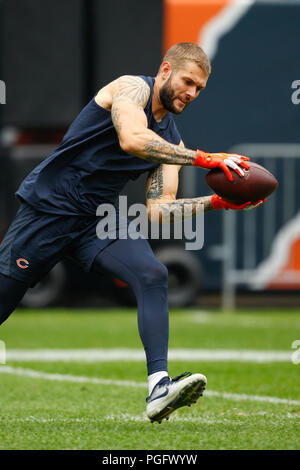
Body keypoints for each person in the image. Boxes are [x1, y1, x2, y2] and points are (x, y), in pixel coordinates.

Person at [0, 42, 264, 423]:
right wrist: (207, 159)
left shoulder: (173, 140)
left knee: (152, 274)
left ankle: (159, 387)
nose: (191, 93)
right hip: (50, 209)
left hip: (97, 218)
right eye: (188, 81)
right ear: (165, 70)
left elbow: (160, 210)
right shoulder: (131, 89)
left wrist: (218, 202)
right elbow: (132, 139)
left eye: (200, 89)